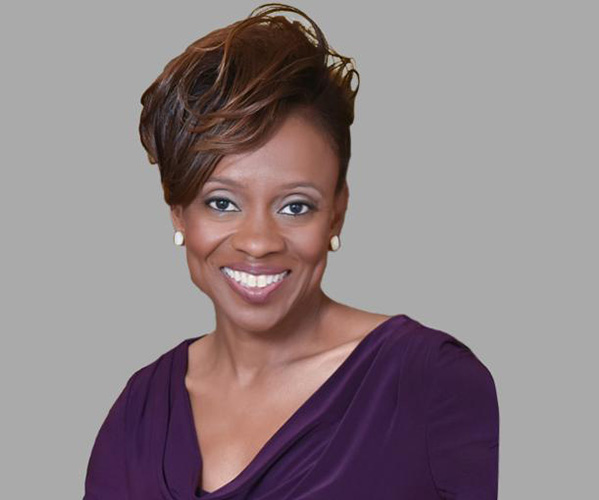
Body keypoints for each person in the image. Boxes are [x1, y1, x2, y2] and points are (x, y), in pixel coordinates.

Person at [83, 4, 498, 499]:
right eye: (222, 202)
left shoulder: (430, 385)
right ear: (179, 213)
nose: (258, 241)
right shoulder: (139, 411)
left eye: (296, 206)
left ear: (337, 213)